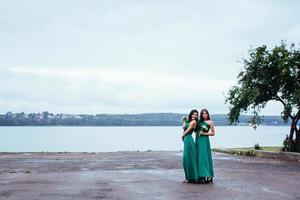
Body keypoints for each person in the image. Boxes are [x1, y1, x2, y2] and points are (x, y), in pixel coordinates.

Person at [196, 108, 215, 184]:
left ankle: (208, 175)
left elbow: (213, 133)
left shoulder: (210, 122)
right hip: (197, 140)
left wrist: (204, 134)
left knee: (204, 157)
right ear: (201, 115)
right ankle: (201, 175)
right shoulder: (199, 122)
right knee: (199, 158)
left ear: (208, 114)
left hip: (204, 140)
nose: (205, 115)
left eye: (206, 113)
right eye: (203, 113)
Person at [181, 109, 199, 183]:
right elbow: (184, 128)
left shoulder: (194, 122)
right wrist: (183, 121)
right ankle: (188, 177)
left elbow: (187, 131)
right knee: (185, 159)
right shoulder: (188, 122)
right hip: (186, 140)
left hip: (189, 139)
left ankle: (193, 177)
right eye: (193, 114)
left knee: (189, 159)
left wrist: (182, 135)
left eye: (196, 115)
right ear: (191, 114)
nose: (194, 116)